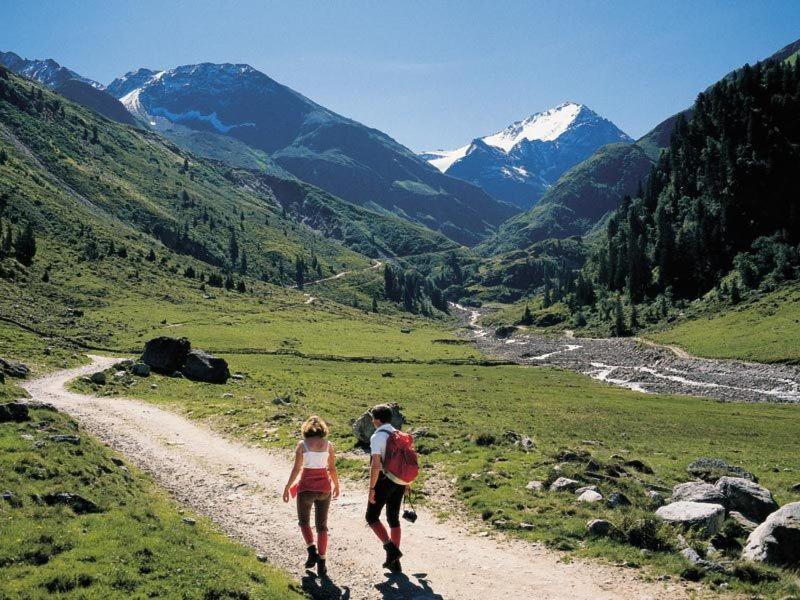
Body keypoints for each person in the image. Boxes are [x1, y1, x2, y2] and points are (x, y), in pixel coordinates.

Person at [283, 415, 340, 578]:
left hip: (306, 488)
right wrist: (337, 485)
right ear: (323, 429)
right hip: (324, 489)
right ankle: (322, 562)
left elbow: (296, 469)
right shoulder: (328, 445)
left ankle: (311, 550)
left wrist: (287, 487)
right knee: (322, 526)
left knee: (304, 522)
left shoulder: (302, 444)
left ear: (305, 429)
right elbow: (332, 469)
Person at [365, 404, 409, 573]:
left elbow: (375, 465)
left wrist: (372, 488)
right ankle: (394, 562)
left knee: (371, 517)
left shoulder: (377, 437)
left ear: (377, 420)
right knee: (393, 518)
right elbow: (405, 461)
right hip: (400, 480)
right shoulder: (398, 434)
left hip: (384, 480)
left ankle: (390, 549)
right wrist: (406, 483)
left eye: (372, 418)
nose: (371, 420)